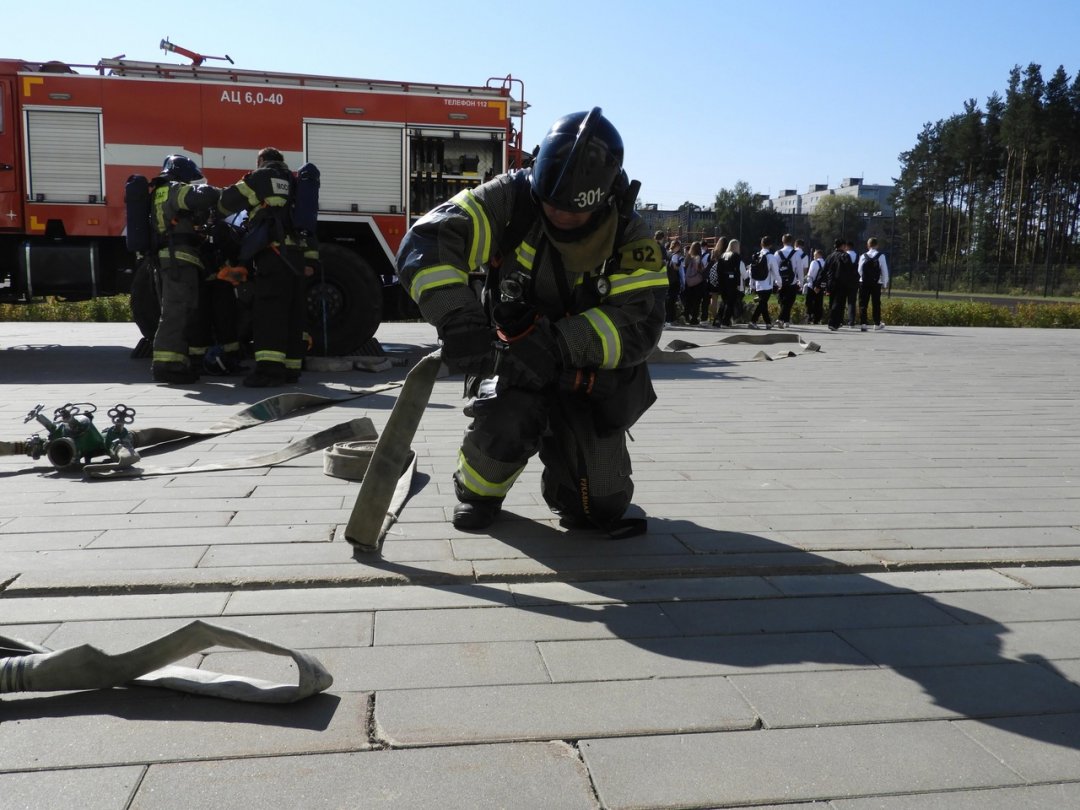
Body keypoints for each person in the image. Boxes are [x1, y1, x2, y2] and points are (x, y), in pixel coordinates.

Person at [396, 108, 668, 535]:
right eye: (550, 204)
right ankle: (478, 492)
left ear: (605, 197)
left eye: (573, 212)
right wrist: (458, 319)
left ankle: (577, 483)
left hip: (587, 377)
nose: (558, 216)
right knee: (509, 416)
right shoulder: (511, 198)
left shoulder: (630, 236)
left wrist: (561, 345)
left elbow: (640, 321)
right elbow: (428, 241)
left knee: (600, 508)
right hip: (513, 363)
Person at [218, 147, 319, 387]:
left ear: (262, 160)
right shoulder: (297, 183)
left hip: (273, 255)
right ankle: (291, 369)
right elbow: (307, 224)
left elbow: (226, 203)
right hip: (297, 257)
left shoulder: (261, 177)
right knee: (293, 314)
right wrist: (311, 261)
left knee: (269, 314)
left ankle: (269, 372)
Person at [149, 154, 221, 385]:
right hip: (178, 258)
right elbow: (204, 196)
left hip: (173, 258)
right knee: (176, 312)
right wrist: (223, 191)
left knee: (179, 311)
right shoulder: (174, 188)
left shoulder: (159, 191)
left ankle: (178, 363)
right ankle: (166, 366)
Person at [824, 238, 859, 331]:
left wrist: (820, 283)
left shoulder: (830, 256)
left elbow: (824, 270)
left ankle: (836, 321)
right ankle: (833, 322)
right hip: (841, 283)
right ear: (843, 246)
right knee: (839, 303)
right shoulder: (845, 256)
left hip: (831, 282)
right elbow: (850, 269)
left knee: (832, 303)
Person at [747, 236, 781, 329]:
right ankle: (753, 321)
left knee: (763, 303)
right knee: (762, 303)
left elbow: (751, 271)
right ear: (770, 245)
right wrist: (779, 283)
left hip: (758, 283)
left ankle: (768, 323)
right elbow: (775, 271)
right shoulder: (771, 257)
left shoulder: (757, 255)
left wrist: (751, 284)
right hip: (767, 284)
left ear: (761, 244)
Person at [710, 238, 745, 327]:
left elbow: (719, 270)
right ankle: (725, 321)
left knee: (724, 302)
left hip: (723, 282)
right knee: (730, 303)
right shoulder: (736, 256)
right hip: (732, 283)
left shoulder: (722, 256)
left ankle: (718, 320)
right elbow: (741, 272)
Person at [857, 236, 890, 330]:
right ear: (877, 245)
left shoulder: (863, 256)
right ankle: (876, 323)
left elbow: (859, 270)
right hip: (876, 283)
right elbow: (884, 271)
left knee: (863, 303)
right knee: (876, 303)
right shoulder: (881, 256)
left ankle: (863, 324)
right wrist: (884, 283)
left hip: (863, 282)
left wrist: (863, 278)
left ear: (868, 245)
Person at [774, 234, 803, 328]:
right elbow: (799, 269)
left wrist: (776, 282)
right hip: (792, 281)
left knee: (783, 301)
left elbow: (774, 269)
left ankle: (785, 321)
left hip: (780, 281)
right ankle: (781, 319)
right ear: (791, 241)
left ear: (782, 241)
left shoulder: (777, 253)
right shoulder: (797, 254)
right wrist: (801, 282)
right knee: (789, 301)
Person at [681, 241, 708, 325]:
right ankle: (694, 318)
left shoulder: (688, 257)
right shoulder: (697, 257)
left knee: (689, 300)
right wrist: (704, 268)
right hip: (697, 282)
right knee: (697, 301)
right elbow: (698, 269)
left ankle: (686, 316)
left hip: (688, 281)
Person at [803, 248, 826, 324]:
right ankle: (817, 319)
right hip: (821, 286)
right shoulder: (825, 263)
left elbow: (810, 275)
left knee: (809, 302)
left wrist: (811, 284)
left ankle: (810, 317)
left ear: (818, 254)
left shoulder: (814, 262)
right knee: (819, 303)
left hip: (812, 286)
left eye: (814, 255)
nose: (813, 257)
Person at [665, 238, 684, 324]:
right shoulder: (675, 255)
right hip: (674, 280)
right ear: (676, 246)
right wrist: (679, 262)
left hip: (666, 279)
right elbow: (676, 268)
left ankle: (668, 319)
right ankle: (670, 319)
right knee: (671, 300)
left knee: (668, 300)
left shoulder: (666, 253)